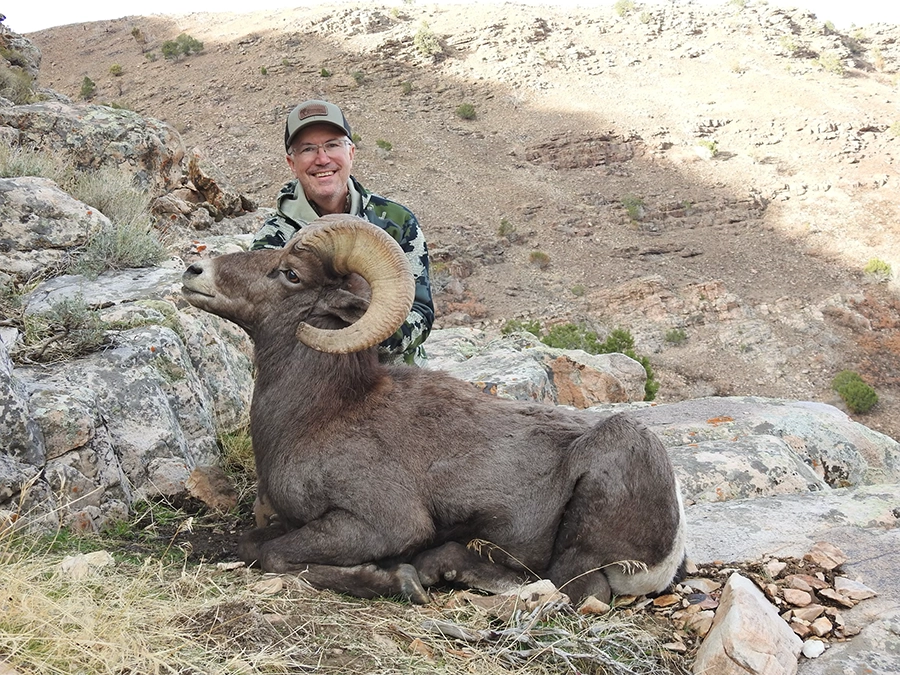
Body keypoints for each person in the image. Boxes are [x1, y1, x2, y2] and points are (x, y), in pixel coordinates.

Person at [251, 99, 434, 366]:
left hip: (395, 379)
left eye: (333, 145)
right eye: (308, 149)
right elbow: (268, 319)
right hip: (315, 381)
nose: (322, 159)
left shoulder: (396, 221)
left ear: (351, 153)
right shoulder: (274, 238)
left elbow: (420, 312)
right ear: (292, 163)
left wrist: (367, 336)